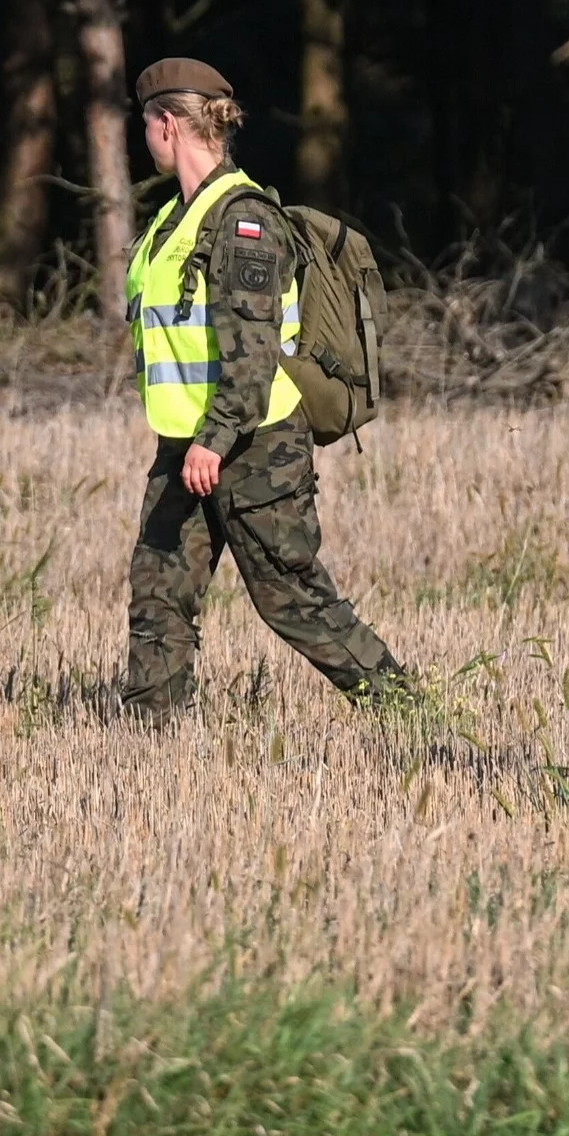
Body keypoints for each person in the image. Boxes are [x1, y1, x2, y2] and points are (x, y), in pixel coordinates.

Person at [120, 57, 411, 718]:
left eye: (145, 125)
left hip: (251, 443)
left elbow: (251, 358)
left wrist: (215, 440)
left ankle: (407, 711)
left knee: (293, 598)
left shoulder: (241, 220)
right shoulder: (172, 221)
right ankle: (144, 729)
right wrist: (194, 443)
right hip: (188, 442)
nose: (144, 138)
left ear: (166, 124)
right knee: (159, 589)